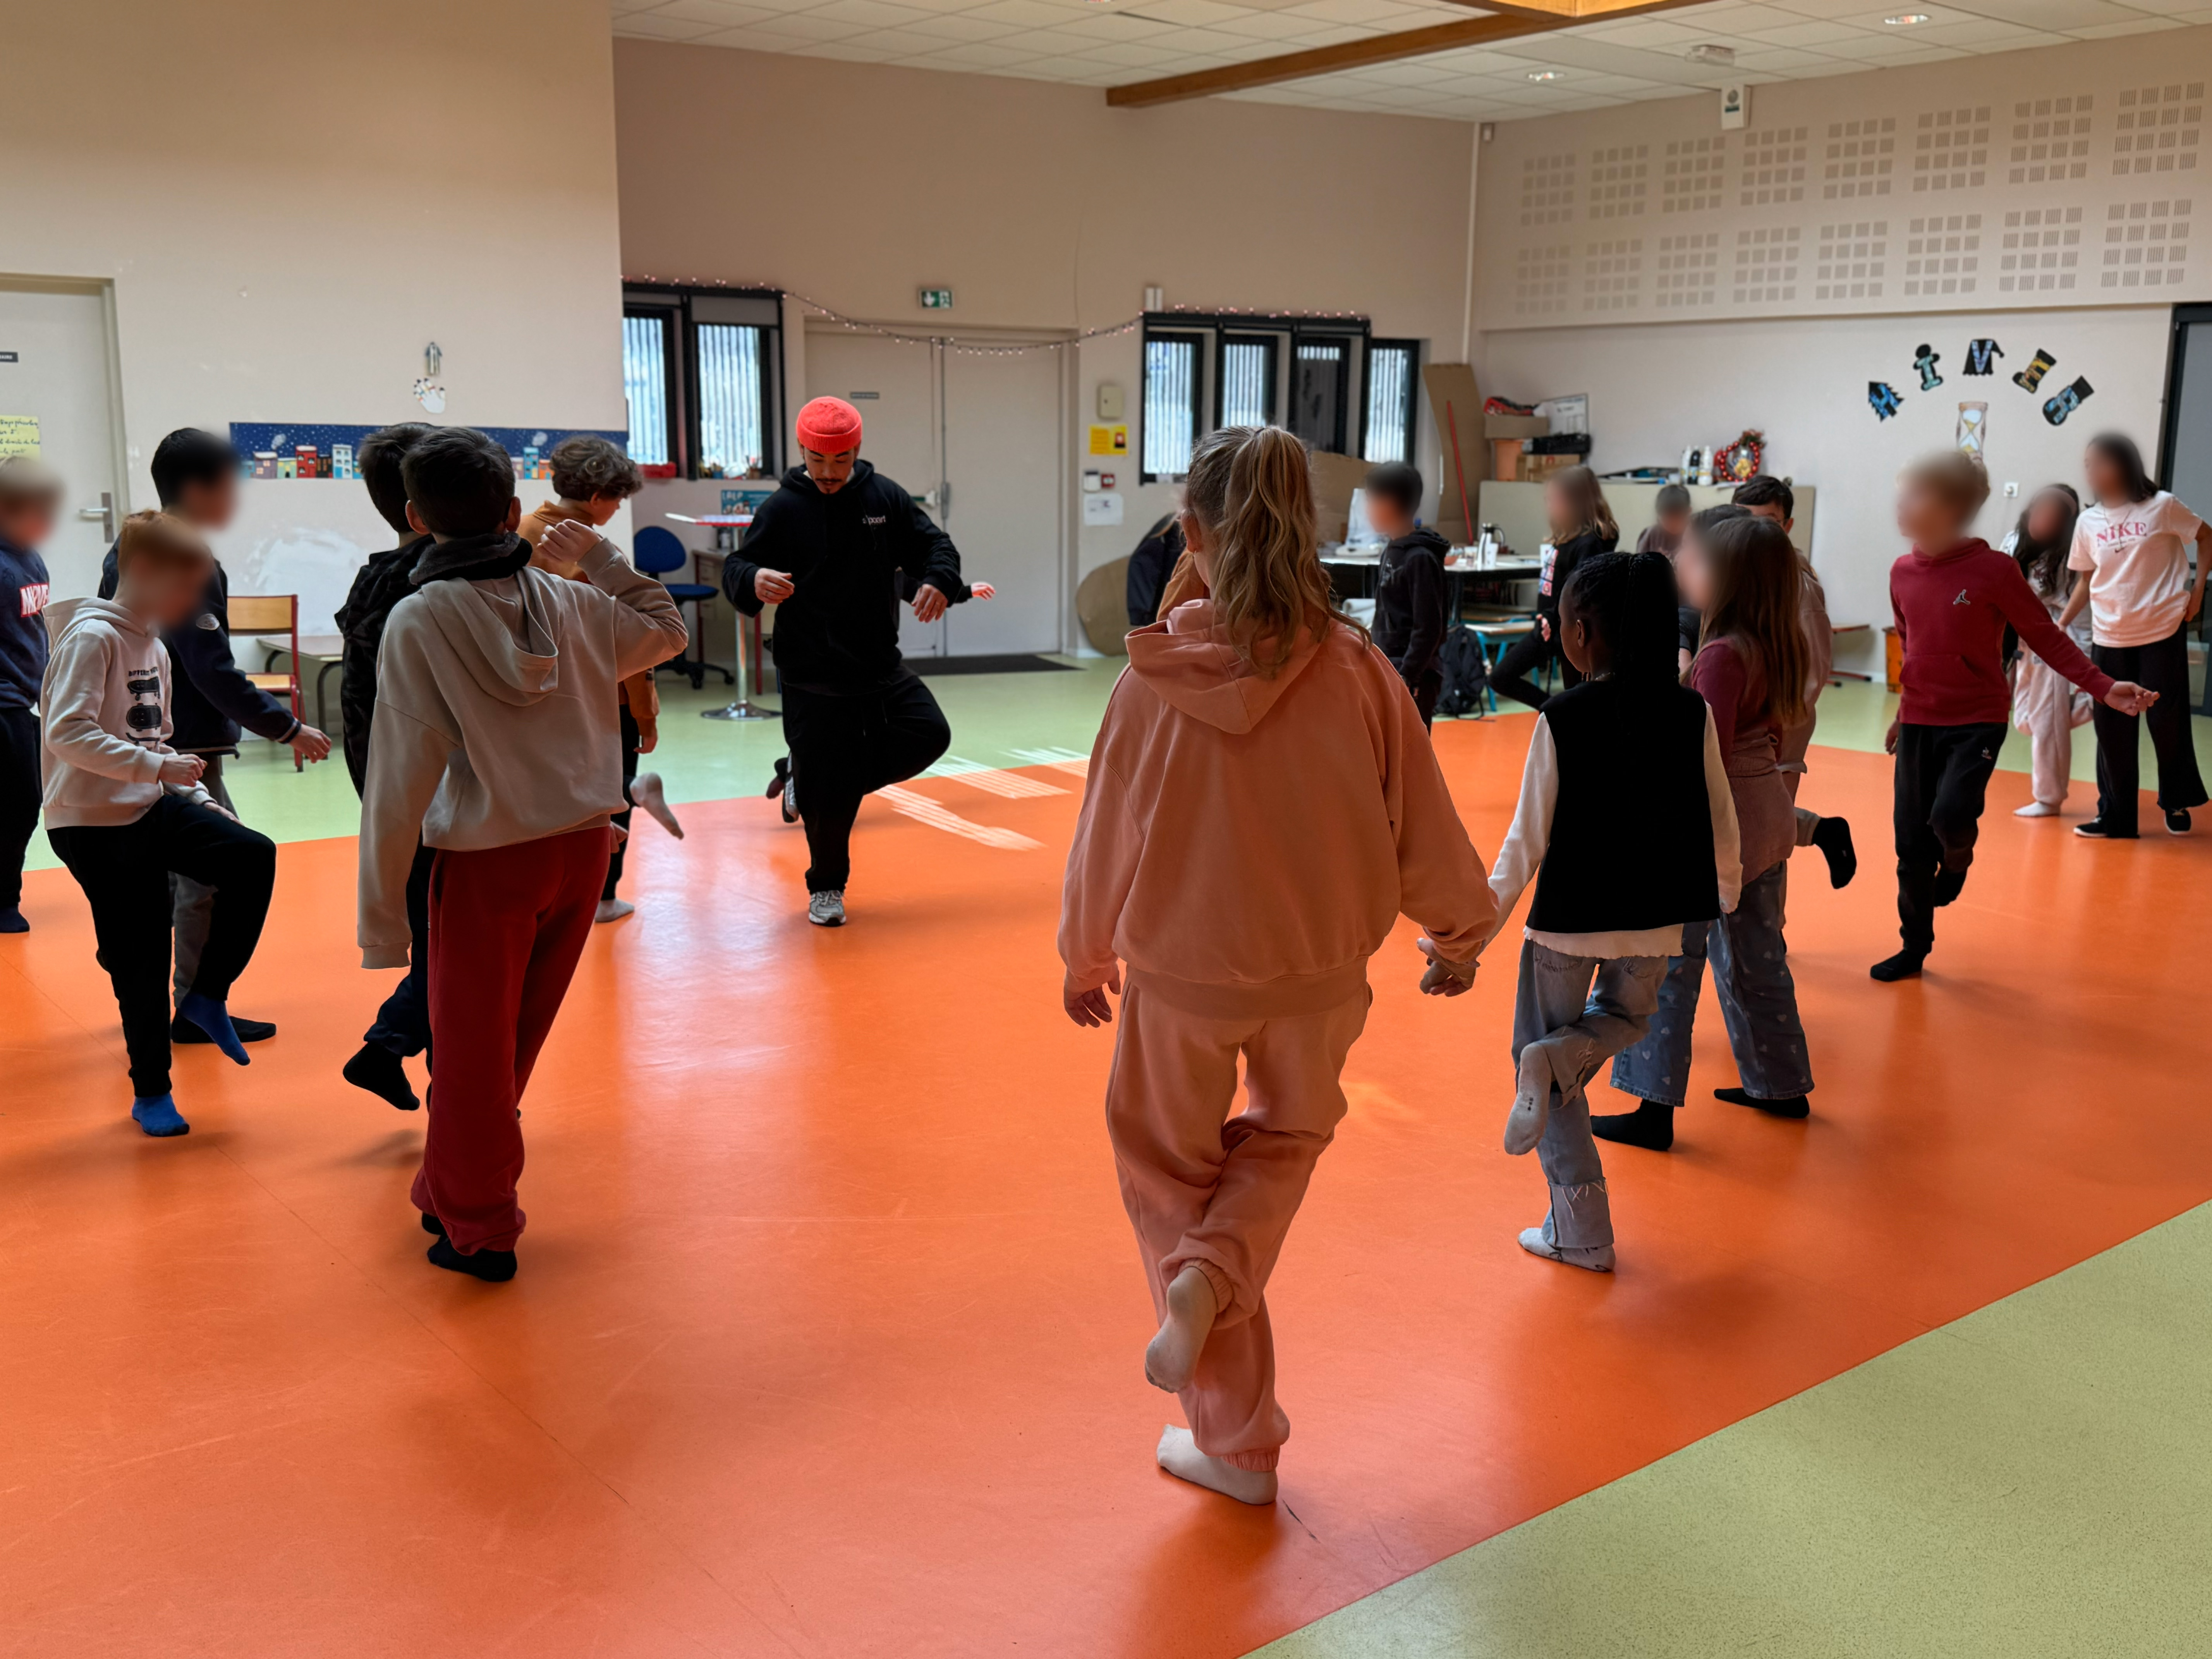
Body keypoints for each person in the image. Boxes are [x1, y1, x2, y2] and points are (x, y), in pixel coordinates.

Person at [1058, 425, 1494, 1507]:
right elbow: (1420, 817)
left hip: (1181, 974)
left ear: (1190, 532)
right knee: (1288, 1139)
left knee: (1166, 1172)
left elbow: (1107, 831)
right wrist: (1460, 934)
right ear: (1309, 527)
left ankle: (1235, 1435)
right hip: (1319, 974)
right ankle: (1215, 1286)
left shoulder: (1150, 681)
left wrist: (1085, 951)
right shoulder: (1358, 669)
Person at [357, 427, 687, 1281]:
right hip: (579, 854)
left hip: (489, 860)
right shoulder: (573, 600)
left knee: (472, 1055)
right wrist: (603, 558)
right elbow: (666, 631)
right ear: (514, 511)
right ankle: (446, 1186)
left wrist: (382, 921)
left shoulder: (419, 617)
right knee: (512, 1045)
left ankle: (481, 1226)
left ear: (415, 519)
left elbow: (399, 776)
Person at [1481, 551, 1739, 1266]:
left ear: (1581, 633)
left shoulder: (1562, 716)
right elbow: (1720, 814)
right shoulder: (1691, 711)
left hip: (1567, 925)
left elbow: (1524, 842)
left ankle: (1583, 1230)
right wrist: (1727, 890)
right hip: (1658, 922)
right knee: (1625, 1022)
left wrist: (1470, 934)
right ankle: (1559, 1059)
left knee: (1541, 1069)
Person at [1870, 451, 2150, 982]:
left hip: (1976, 720)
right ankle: (1914, 946)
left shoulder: (1995, 571)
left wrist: (2103, 686)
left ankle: (1958, 858)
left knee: (1951, 816)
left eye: (1915, 496)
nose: (1900, 506)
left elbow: (2044, 637)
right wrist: (1903, 714)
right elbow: (1911, 646)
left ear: (1953, 507)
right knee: (1910, 842)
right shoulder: (1902, 572)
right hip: (1920, 721)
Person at [43, 512, 277, 1137]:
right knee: (142, 957)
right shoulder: (93, 638)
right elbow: (66, 733)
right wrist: (157, 767)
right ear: (142, 570)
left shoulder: (155, 643)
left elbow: (159, 741)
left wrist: (196, 796)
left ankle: (206, 996)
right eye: (183, 589)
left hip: (147, 802)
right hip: (91, 821)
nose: (191, 605)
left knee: (251, 854)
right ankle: (152, 1091)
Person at [98, 428, 330, 1045]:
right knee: (216, 872)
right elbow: (211, 669)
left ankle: (161, 995)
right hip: (183, 747)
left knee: (164, 874)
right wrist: (286, 726)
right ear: (200, 490)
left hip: (139, 742)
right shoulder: (190, 562)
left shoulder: (127, 549)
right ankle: (195, 1006)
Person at [722, 396, 991, 928]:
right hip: (810, 671)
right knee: (827, 793)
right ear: (802, 452)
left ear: (857, 450)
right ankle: (827, 887)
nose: (829, 472)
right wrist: (753, 579)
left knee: (928, 733)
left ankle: (810, 781)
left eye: (841, 460)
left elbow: (935, 546)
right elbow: (739, 564)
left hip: (876, 662)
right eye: (818, 461)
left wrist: (942, 581)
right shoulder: (783, 508)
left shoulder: (883, 496)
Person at [1602, 513, 1816, 1146]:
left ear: (1728, 579)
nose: (1684, 570)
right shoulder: (1773, 642)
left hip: (1720, 823)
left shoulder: (1721, 655)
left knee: (1666, 961)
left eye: (1696, 562)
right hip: (1766, 815)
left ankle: (1651, 1107)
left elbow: (1704, 755)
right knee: (1757, 960)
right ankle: (1780, 1085)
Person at [518, 434, 684, 922]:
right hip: (603, 696)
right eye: (617, 499)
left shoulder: (523, 533)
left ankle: (558, 894)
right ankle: (604, 897)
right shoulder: (591, 549)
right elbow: (629, 638)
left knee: (561, 794)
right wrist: (645, 714)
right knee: (608, 798)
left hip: (542, 693)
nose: (616, 508)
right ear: (596, 497)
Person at [334, 424, 436, 1111]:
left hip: (389, 785)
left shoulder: (378, 577)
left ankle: (391, 1048)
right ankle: (444, 1084)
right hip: (424, 791)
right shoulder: (427, 586)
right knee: (453, 943)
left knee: (440, 936)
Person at [2061, 433, 2210, 838]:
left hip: (2161, 627)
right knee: (2111, 727)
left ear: (2123, 463)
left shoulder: (2162, 506)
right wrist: (2061, 625)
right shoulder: (2088, 522)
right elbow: (2085, 581)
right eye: (2088, 464)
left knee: (2166, 720)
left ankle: (2176, 800)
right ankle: (2116, 815)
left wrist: (2198, 592)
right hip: (2109, 634)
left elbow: (2206, 536)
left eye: (2100, 462)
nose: (2092, 471)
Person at [1735, 474, 1855, 889]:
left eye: (1768, 522)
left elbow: (1814, 669)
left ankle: (1771, 921)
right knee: (1742, 818)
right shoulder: (1732, 573)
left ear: (1786, 526)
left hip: (1779, 726)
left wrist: (1776, 721)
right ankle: (1821, 830)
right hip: (1741, 720)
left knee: (1768, 833)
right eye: (1746, 519)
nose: (1755, 530)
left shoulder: (1798, 585)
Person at [1489, 465, 1617, 711]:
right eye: (1548, 500)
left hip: (1571, 633)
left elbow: (1580, 592)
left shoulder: (1589, 544)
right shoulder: (1565, 539)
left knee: (1579, 700)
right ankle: (1557, 713)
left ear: (1577, 502)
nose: (1550, 506)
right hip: (1550, 629)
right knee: (1501, 677)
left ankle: (1564, 718)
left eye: (1556, 500)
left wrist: (1553, 616)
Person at [2003, 484, 2092, 818]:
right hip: (2024, 639)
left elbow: (2076, 610)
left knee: (2045, 723)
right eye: (2040, 511)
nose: (2043, 520)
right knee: (2025, 719)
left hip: (2059, 638)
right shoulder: (2014, 542)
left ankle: (2049, 798)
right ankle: (2099, 703)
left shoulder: (2072, 552)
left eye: (2054, 516)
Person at [0, 458, 58, 933]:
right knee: (17, 801)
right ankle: (3, 898)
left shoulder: (30, 558)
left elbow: (35, 628)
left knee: (24, 801)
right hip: (4, 702)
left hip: (25, 699)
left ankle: (4, 891)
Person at [1364, 461, 1450, 727]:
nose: (1367, 510)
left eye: (1371, 501)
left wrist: (1409, 674)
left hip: (1414, 674)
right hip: (1389, 666)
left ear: (1389, 504)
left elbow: (1429, 627)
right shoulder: (1392, 550)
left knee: (1411, 747)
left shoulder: (1420, 558)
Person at [1126, 512, 1185, 632]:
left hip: (1169, 605)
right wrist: (1142, 613)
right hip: (1166, 603)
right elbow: (1142, 563)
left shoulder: (1174, 522)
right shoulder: (1176, 523)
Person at [1637, 482, 1692, 558]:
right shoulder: (1651, 535)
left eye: (1676, 519)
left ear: (1689, 512)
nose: (1672, 525)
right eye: (1667, 520)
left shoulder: (1695, 535)